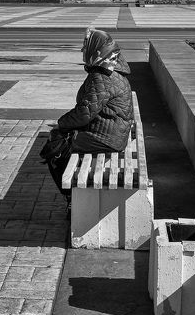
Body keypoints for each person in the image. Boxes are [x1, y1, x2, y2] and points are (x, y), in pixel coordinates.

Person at [40, 28, 134, 207]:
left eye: (85, 47)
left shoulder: (103, 76)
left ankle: (72, 198)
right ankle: (73, 195)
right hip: (110, 132)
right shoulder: (107, 69)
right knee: (61, 139)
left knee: (57, 146)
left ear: (97, 51)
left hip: (108, 138)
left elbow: (84, 114)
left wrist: (61, 125)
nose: (83, 51)